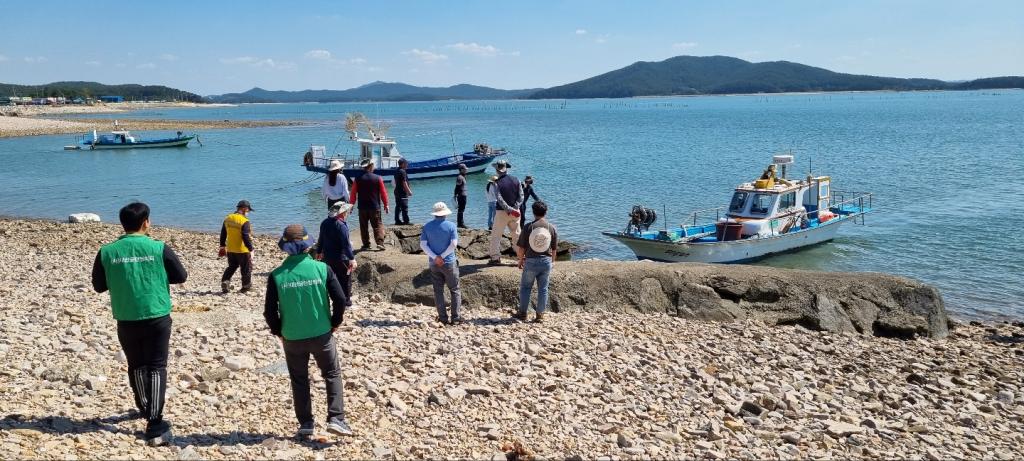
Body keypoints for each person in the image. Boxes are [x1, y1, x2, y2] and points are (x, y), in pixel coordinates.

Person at [91, 202, 188, 446]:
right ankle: (155, 423)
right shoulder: (158, 247)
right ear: (146, 222)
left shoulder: (107, 251)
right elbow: (181, 276)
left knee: (136, 364)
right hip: (156, 313)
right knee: (156, 366)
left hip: (126, 316)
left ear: (122, 224)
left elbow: (99, 286)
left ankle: (145, 407)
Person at [264, 225, 354, 438]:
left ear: (285, 248)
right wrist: (335, 321)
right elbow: (340, 300)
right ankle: (336, 418)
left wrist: (279, 331)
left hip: (292, 336)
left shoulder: (277, 275)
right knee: (331, 373)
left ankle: (306, 424)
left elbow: (269, 311)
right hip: (322, 332)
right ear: (308, 245)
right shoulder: (322, 269)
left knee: (299, 379)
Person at [514, 201, 558, 323]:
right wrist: (552, 262)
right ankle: (540, 315)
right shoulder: (551, 227)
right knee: (543, 289)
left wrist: (520, 260)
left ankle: (523, 313)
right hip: (546, 261)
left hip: (531, 261)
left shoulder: (528, 227)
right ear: (546, 212)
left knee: (526, 287)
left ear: (533, 212)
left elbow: (521, 248)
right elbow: (554, 249)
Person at [420, 202, 462, 325]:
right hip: (449, 262)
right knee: (454, 289)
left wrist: (435, 257)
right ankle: (456, 318)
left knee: (438, 290)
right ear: (445, 213)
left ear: (435, 213)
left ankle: (443, 318)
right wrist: (442, 257)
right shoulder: (451, 226)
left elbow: (423, 245)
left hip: (434, 263)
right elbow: (453, 244)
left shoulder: (427, 226)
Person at [316, 202, 356, 305]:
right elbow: (346, 245)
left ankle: (335, 299)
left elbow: (321, 239)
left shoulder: (324, 222)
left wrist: (319, 251)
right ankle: (346, 301)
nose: (347, 213)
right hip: (341, 258)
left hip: (328, 257)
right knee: (345, 279)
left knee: (332, 279)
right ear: (342, 213)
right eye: (346, 211)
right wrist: (352, 258)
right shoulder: (341, 225)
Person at [348, 160, 389, 251]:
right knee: (377, 225)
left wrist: (351, 205)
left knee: (363, 226)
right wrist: (386, 204)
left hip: (362, 207)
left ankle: (366, 245)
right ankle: (380, 243)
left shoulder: (357, 179)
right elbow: (383, 193)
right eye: (373, 166)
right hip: (375, 206)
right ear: (371, 166)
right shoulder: (378, 178)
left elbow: (353, 193)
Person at [488, 160, 522, 265]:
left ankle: (495, 258)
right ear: (506, 168)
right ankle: (521, 257)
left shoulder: (496, 182)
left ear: (497, 170)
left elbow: (499, 198)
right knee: (517, 235)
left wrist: (508, 209)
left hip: (502, 212)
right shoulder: (516, 180)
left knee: (496, 235)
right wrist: (515, 207)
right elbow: (521, 196)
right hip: (516, 212)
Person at [220, 200, 254, 293]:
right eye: (248, 211)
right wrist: (251, 249)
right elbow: (245, 236)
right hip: (242, 250)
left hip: (230, 249)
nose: (248, 213)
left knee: (232, 266)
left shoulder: (228, 218)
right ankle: (246, 287)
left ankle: (225, 282)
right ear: (244, 209)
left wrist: (222, 246)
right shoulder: (244, 221)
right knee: (246, 268)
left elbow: (223, 233)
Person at [393, 158, 412, 225]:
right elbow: (404, 182)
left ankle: (397, 220)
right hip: (402, 192)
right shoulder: (402, 171)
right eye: (406, 163)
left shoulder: (396, 171)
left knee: (398, 206)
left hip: (397, 191)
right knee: (404, 207)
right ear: (403, 164)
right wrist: (409, 191)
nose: (407, 165)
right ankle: (406, 221)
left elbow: (395, 181)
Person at [453, 164, 468, 228]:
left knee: (462, 209)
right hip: (461, 195)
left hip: (463, 195)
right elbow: (457, 187)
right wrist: (455, 195)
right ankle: (460, 223)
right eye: (465, 169)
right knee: (461, 209)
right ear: (461, 170)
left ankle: (460, 223)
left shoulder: (462, 176)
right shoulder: (460, 177)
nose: (466, 170)